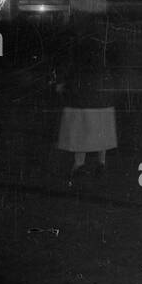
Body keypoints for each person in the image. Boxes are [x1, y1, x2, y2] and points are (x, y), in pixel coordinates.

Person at [55, 25, 118, 185]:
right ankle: (101, 162)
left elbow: (71, 66)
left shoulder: (78, 47)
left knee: (80, 129)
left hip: (82, 95)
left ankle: (79, 163)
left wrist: (63, 84)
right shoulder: (103, 46)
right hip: (101, 95)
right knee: (101, 128)